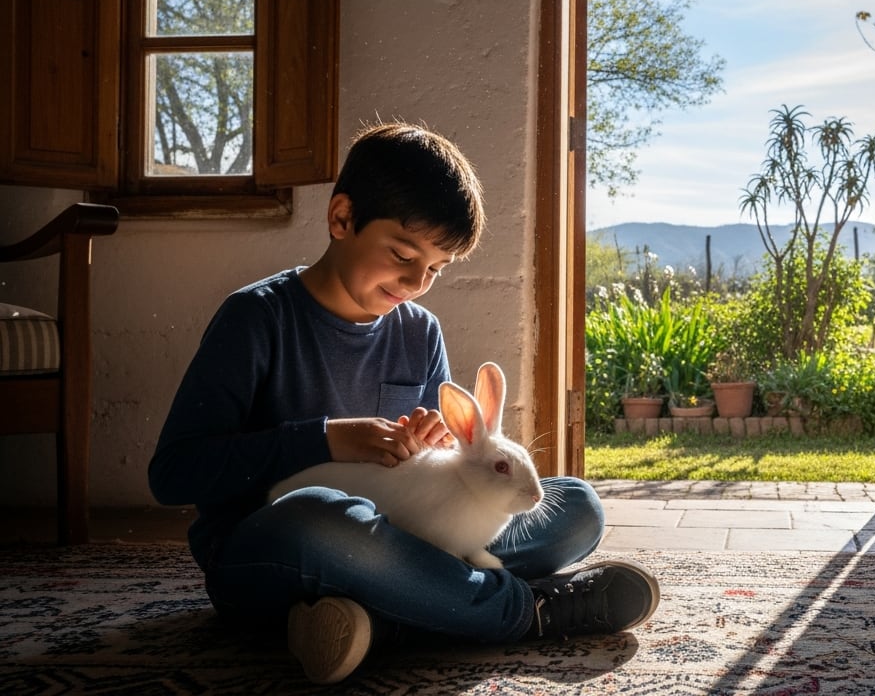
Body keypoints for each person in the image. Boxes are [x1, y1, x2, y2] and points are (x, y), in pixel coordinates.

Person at [148, 121, 659, 685]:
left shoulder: (420, 331)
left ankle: (375, 624)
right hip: (275, 553)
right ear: (342, 218)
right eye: (402, 254)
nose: (416, 282)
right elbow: (173, 474)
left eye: (436, 269)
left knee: (577, 508)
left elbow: (437, 482)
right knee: (320, 516)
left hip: (406, 545)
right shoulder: (256, 318)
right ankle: (525, 612)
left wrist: (437, 448)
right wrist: (325, 439)